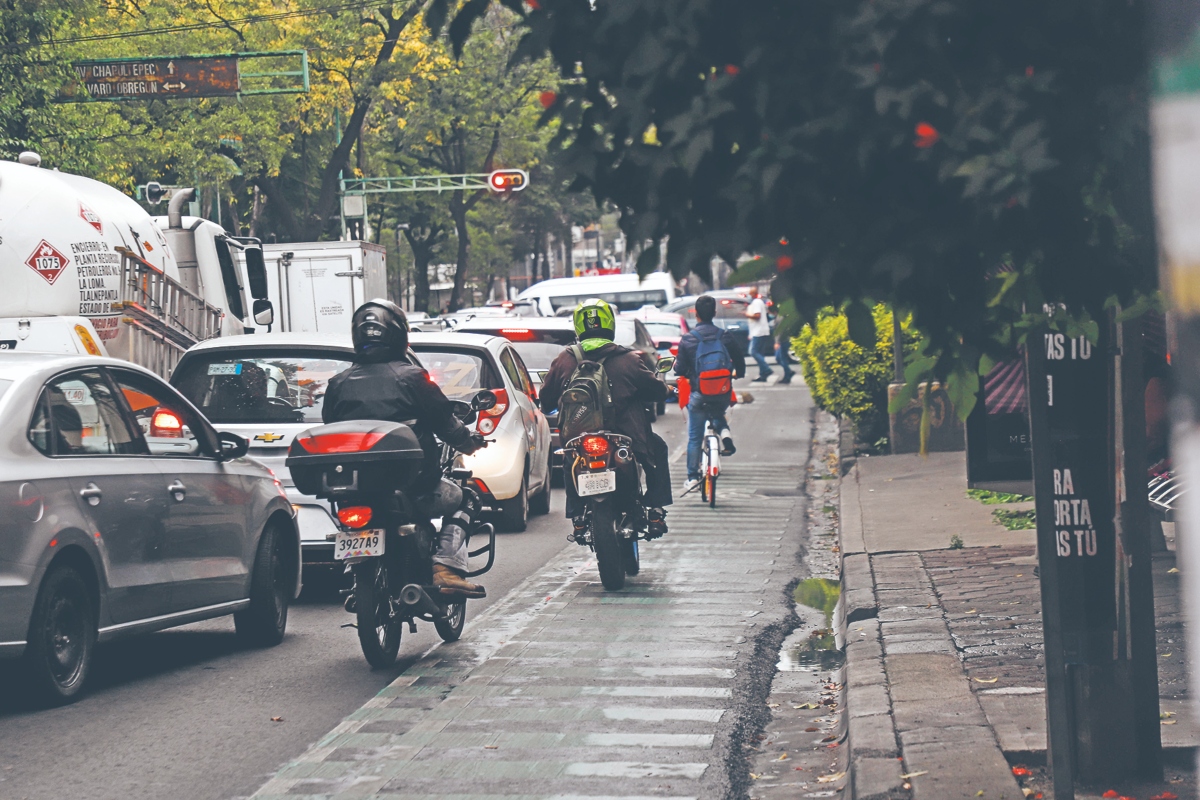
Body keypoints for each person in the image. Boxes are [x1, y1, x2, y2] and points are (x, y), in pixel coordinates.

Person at [323, 299, 490, 598]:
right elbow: (446, 423)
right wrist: (469, 442)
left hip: (355, 488)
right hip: (415, 486)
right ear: (399, 334)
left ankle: (353, 569)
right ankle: (445, 568)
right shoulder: (413, 378)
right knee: (466, 498)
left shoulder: (338, 383)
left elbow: (329, 428)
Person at [540, 298, 673, 537]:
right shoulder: (629, 359)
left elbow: (546, 401)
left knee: (571, 458)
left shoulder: (564, 360)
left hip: (577, 437)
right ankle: (655, 510)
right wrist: (666, 390)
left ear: (578, 327)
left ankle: (578, 517)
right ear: (610, 325)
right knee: (658, 448)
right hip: (628, 436)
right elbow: (656, 391)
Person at [675, 294, 746, 493]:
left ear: (695, 314)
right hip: (722, 392)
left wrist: (689, 373)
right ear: (714, 313)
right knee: (717, 411)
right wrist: (738, 373)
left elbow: (679, 369)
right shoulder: (724, 336)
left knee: (695, 437)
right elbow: (739, 360)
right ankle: (724, 434)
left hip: (699, 394)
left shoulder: (688, 339)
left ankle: (692, 478)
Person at [745, 285, 774, 382]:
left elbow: (757, 316)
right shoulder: (757, 302)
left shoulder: (757, 302)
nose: (749, 295)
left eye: (750, 294)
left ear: (754, 294)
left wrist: (747, 315)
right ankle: (763, 375)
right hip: (758, 331)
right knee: (760, 353)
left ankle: (766, 369)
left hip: (759, 332)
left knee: (753, 352)